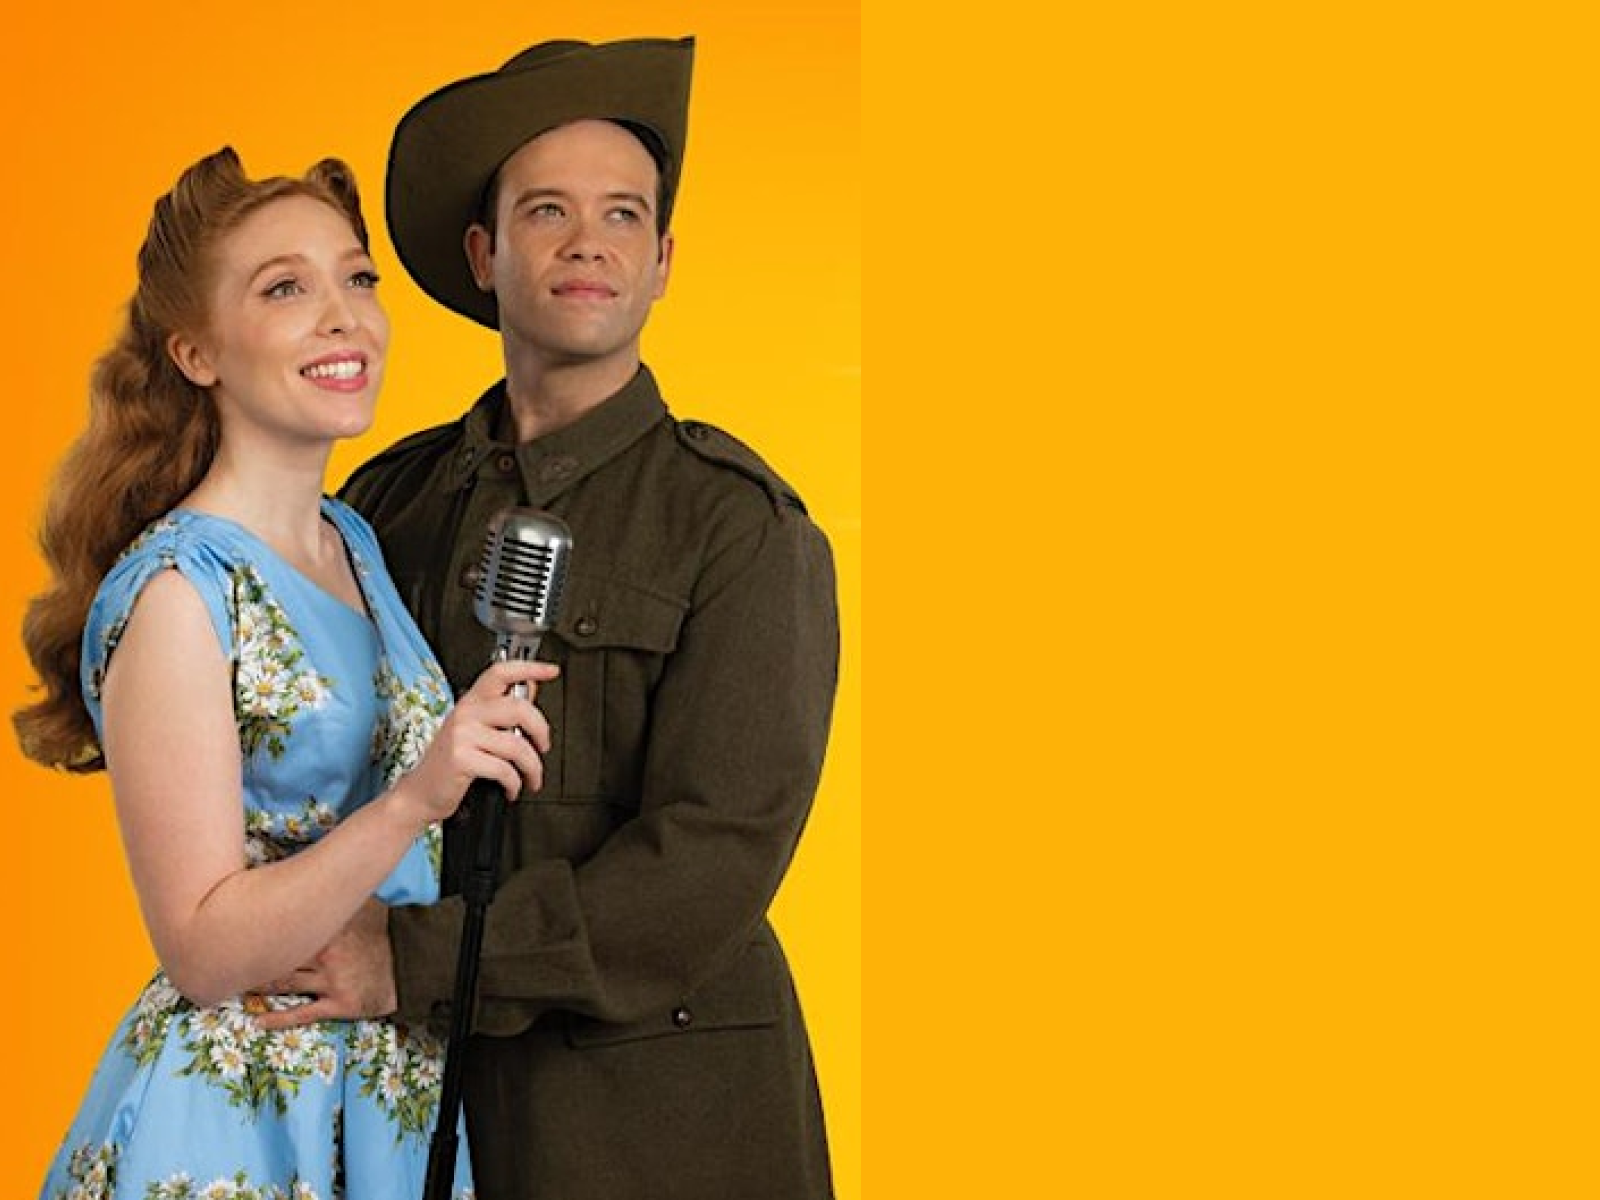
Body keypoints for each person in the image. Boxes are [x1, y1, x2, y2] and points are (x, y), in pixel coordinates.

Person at [264, 36, 841, 1200]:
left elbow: (708, 866)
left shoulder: (740, 529)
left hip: (651, 1122)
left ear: (665, 260)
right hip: (404, 1099)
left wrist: (404, 961)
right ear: (483, 253)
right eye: (547, 211)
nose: (589, 242)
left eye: (624, 215)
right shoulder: (389, 503)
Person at [15, 146, 559, 1199]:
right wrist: (418, 797)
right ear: (197, 352)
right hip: (243, 1119)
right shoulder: (178, 592)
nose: (342, 316)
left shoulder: (353, 539)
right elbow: (205, 953)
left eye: (357, 279)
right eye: (284, 288)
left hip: (384, 1087)